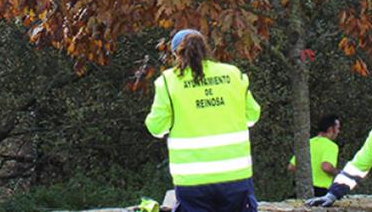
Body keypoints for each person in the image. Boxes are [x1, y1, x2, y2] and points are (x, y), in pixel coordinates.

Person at [145, 29, 262, 212]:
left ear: (176, 53)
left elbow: (156, 127)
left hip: (192, 180)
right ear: (206, 48)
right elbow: (253, 115)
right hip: (235, 176)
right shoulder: (233, 74)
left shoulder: (168, 81)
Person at [288, 114, 342, 196]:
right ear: (331, 129)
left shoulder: (307, 143)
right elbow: (326, 167)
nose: (338, 132)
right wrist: (339, 173)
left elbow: (291, 167)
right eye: (338, 128)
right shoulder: (331, 146)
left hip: (302, 189)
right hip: (320, 190)